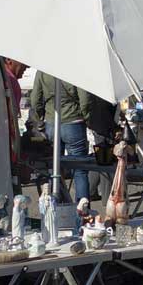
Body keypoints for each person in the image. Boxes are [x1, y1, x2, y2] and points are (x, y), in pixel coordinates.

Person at [30, 72, 91, 203]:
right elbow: (85, 99)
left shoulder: (43, 69)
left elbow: (35, 99)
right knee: (80, 170)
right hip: (74, 121)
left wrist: (40, 118)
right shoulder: (74, 67)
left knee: (54, 169)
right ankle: (84, 213)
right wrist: (86, 117)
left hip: (51, 122)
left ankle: (55, 209)